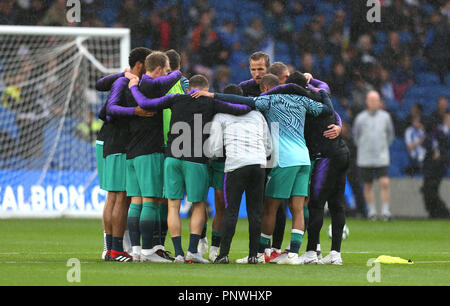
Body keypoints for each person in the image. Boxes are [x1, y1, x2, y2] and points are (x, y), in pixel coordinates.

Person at [192, 74, 335, 264]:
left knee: (261, 208)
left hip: (273, 160)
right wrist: (323, 93)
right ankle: (288, 253)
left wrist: (213, 96)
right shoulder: (302, 101)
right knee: (293, 208)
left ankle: (242, 254)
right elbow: (327, 110)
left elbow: (242, 103)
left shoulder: (270, 100)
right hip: (299, 158)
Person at [128, 74, 253, 263]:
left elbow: (145, 103)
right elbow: (244, 107)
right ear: (206, 88)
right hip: (195, 160)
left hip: (172, 158)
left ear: (188, 89)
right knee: (199, 205)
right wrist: (214, 96)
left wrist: (133, 86)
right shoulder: (211, 102)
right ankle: (192, 251)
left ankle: (177, 253)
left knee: (173, 206)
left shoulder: (176, 99)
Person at [95, 47, 155, 262]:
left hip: (113, 142)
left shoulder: (126, 80)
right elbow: (108, 111)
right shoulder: (125, 82)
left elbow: (100, 87)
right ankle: (116, 249)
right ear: (140, 65)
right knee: (120, 196)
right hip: (118, 143)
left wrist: (122, 74)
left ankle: (111, 248)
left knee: (114, 196)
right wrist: (135, 112)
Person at [205, 84, 273, 264]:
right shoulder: (257, 115)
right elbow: (268, 146)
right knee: (255, 212)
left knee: (231, 211)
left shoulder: (220, 116)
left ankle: (223, 254)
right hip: (258, 164)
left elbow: (215, 148)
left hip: (236, 166)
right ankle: (253, 256)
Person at [353, 90, 395, 221]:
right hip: (365, 158)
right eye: (371, 100)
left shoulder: (386, 117)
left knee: (384, 182)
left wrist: (382, 147)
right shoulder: (360, 118)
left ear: (379, 102)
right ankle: (371, 212)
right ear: (367, 102)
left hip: (381, 157)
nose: (373, 103)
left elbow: (390, 135)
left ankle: (385, 211)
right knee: (368, 184)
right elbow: (356, 136)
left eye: (375, 100)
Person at [421, 111, 450, 218]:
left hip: (437, 167)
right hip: (429, 168)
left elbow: (446, 145)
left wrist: (440, 154)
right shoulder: (429, 135)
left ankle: (444, 212)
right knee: (428, 191)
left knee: (431, 191)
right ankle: (434, 212)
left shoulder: (438, 133)